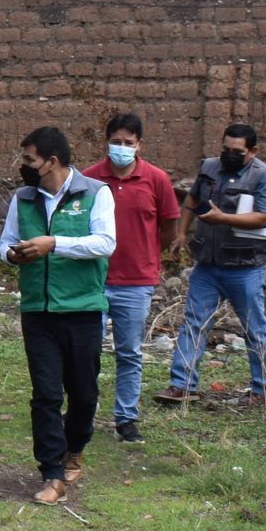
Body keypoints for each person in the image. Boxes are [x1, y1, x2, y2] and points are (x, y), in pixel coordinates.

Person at [0, 125, 115, 506]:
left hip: (82, 308)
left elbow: (105, 243)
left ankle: (75, 447)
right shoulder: (23, 198)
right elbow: (5, 242)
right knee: (45, 394)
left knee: (83, 392)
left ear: (52, 162)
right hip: (38, 309)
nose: (23, 165)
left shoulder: (96, 193)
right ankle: (52, 472)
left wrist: (55, 244)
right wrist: (12, 254)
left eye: (29, 159)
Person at [155, 121, 266, 408]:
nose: (229, 155)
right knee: (193, 324)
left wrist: (223, 218)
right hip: (208, 265)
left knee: (254, 329)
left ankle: (262, 391)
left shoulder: (264, 176)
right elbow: (194, 199)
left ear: (253, 151)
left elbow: (264, 217)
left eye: (237, 151)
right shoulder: (210, 167)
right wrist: (183, 233)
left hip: (245, 266)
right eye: (225, 149)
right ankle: (182, 386)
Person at [82, 113, 182, 445]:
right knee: (86, 351)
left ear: (139, 144)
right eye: (116, 141)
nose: (121, 148)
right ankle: (83, 413)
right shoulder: (89, 179)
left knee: (130, 352)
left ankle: (126, 418)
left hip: (137, 282)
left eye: (129, 143)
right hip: (94, 279)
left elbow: (169, 227)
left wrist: (148, 253)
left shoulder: (156, 179)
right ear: (106, 141)